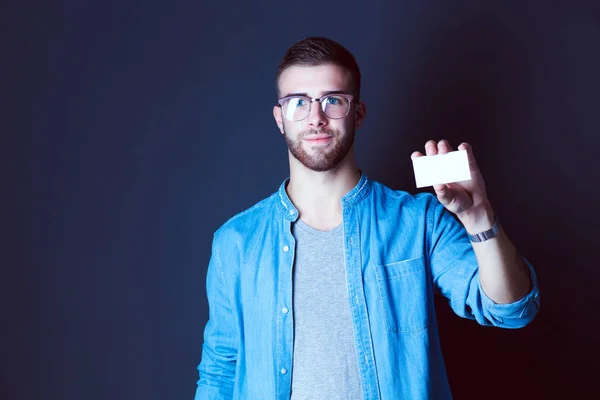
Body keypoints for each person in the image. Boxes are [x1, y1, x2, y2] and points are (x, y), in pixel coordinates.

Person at [194, 36, 540, 400]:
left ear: (357, 113)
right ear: (280, 118)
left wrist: (479, 216)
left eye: (333, 101)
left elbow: (512, 310)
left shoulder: (419, 221)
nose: (316, 117)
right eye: (298, 102)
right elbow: (220, 371)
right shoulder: (236, 241)